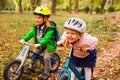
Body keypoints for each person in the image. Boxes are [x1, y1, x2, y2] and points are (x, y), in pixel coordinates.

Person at [20, 6, 57, 79]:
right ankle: (31, 66)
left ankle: (47, 71)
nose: (37, 19)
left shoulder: (50, 27)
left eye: (39, 17)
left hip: (49, 45)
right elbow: (31, 33)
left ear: (45, 18)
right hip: (40, 44)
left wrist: (40, 43)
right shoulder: (36, 26)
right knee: (34, 53)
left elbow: (47, 38)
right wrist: (24, 39)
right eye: (36, 17)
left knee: (46, 57)